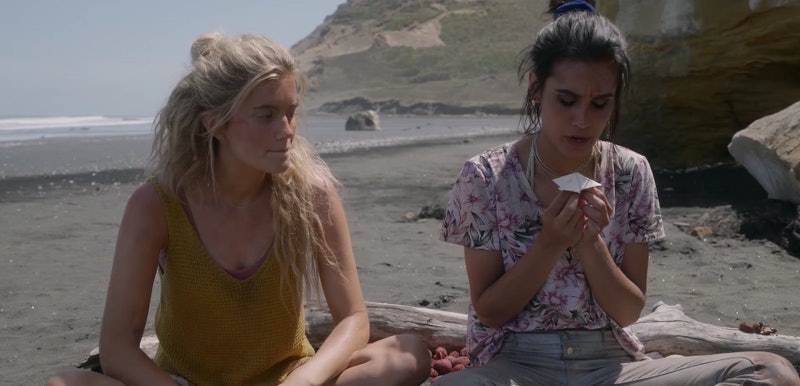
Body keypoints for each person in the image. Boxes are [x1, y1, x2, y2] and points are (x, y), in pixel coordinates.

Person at [435, 1, 800, 385]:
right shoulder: (486, 175)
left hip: (611, 366)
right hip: (516, 365)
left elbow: (627, 312)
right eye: (566, 99)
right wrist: (550, 243)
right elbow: (490, 312)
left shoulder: (630, 172)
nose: (583, 119)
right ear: (536, 88)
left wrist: (591, 244)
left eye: (600, 104)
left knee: (770, 372)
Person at [45, 32, 431, 386]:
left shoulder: (312, 195)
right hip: (185, 381)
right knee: (64, 384)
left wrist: (308, 380)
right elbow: (117, 348)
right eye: (266, 115)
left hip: (288, 377)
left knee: (408, 354)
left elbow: (352, 318)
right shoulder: (157, 205)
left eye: (291, 111)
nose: (287, 129)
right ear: (216, 124)